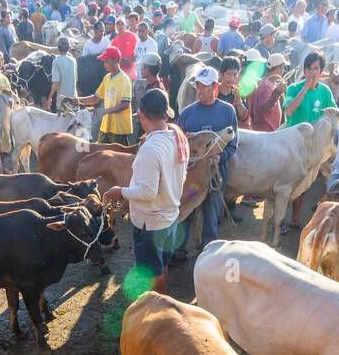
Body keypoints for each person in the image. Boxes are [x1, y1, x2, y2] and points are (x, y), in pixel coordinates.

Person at [104, 88, 188, 296]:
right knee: (162, 263)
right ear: (165, 112)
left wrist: (120, 191)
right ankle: (163, 297)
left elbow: (148, 192)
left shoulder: (151, 149)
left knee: (152, 270)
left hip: (150, 222)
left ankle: (158, 305)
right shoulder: (178, 136)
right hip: (170, 215)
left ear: (141, 115)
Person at [174, 66, 237, 258]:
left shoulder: (227, 111)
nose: (200, 90)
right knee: (186, 210)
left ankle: (209, 253)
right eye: (198, 86)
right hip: (191, 175)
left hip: (215, 173)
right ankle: (179, 250)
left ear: (215, 87)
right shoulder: (187, 113)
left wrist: (220, 157)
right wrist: (186, 139)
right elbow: (176, 141)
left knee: (212, 212)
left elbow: (232, 144)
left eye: (204, 86)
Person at [71, 46, 133, 144]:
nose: (104, 64)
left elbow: (125, 104)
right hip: (105, 126)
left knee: (117, 157)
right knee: (100, 155)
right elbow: (96, 98)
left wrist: (104, 111)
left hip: (118, 129)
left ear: (115, 60)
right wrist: (78, 100)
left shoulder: (124, 79)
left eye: (106, 61)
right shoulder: (107, 78)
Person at [247, 54, 288, 132]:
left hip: (270, 133)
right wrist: (277, 93)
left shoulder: (270, 83)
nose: (284, 71)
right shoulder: (265, 86)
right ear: (279, 68)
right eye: (284, 67)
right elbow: (265, 109)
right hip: (265, 134)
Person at [49, 37, 77, 113]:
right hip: (74, 103)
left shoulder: (56, 62)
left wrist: (49, 98)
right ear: (68, 48)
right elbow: (75, 80)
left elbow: (56, 83)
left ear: (58, 48)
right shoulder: (73, 61)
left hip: (62, 104)